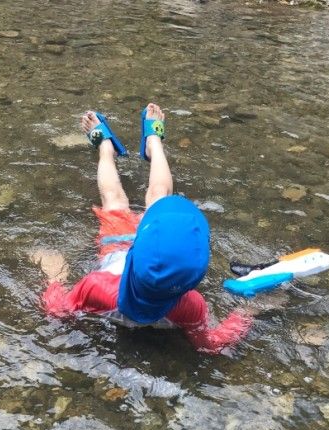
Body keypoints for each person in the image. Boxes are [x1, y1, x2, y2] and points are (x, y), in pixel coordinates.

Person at [37, 103, 252, 353]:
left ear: (135, 254)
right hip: (127, 249)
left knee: (114, 199)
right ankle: (153, 143)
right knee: (159, 196)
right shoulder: (190, 305)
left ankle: (106, 149)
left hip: (116, 246)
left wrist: (55, 276)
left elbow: (58, 310)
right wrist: (249, 310)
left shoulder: (98, 287)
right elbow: (211, 344)